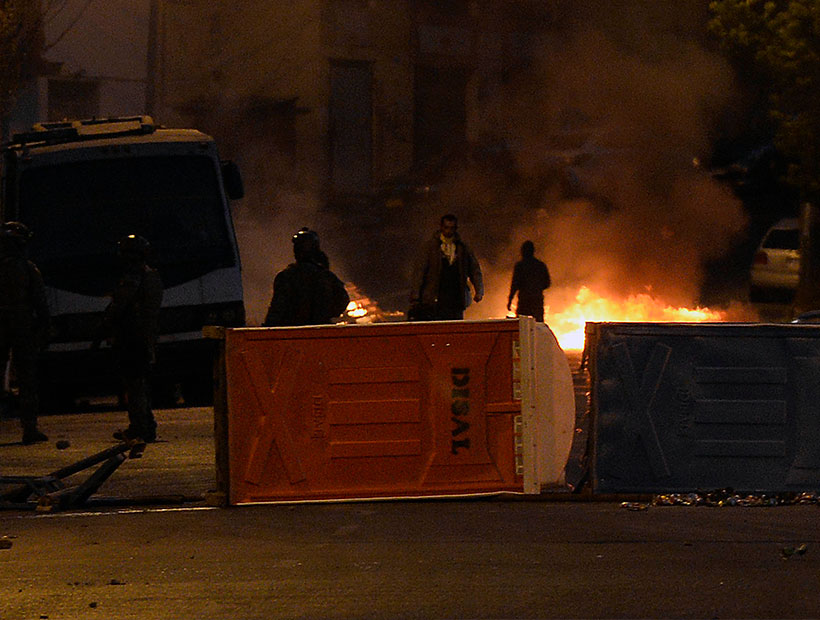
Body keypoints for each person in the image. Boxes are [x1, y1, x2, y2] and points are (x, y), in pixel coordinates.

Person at [104, 235, 163, 443]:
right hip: (144, 337)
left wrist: (106, 322)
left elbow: (120, 305)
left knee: (134, 384)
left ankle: (140, 427)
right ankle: (145, 425)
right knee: (140, 384)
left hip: (132, 338)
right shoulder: (152, 275)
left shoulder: (134, 278)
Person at [0, 221, 50, 444]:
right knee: (27, 379)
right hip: (22, 328)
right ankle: (29, 428)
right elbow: (41, 304)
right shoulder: (28, 269)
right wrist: (43, 330)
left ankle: (30, 428)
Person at [263, 228, 349, 327]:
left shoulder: (286, 277)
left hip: (292, 333)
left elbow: (276, 309)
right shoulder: (325, 276)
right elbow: (342, 300)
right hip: (320, 331)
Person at [409, 213, 484, 321]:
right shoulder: (430, 248)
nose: (449, 231)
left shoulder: (462, 248)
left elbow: (474, 269)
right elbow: (419, 272)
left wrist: (479, 290)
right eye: (446, 227)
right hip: (435, 300)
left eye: (452, 228)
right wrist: (415, 297)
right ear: (441, 227)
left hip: (456, 299)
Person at [507, 240, 551, 323]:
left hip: (524, 302)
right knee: (538, 325)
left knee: (523, 326)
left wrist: (510, 300)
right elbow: (547, 283)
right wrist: (537, 288)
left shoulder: (520, 266)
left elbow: (514, 285)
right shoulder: (540, 265)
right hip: (537, 301)